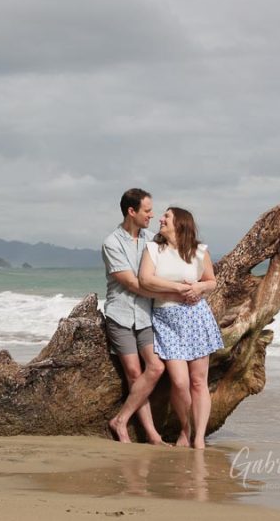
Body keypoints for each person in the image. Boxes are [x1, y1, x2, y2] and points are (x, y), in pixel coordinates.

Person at [104, 189, 193, 444]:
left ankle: (120, 419)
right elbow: (133, 283)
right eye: (147, 210)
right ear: (131, 211)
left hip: (145, 314)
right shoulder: (111, 243)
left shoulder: (151, 240)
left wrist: (196, 282)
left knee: (155, 367)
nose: (152, 215)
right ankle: (150, 434)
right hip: (120, 315)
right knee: (134, 372)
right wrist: (175, 292)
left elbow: (174, 255)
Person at [140, 207, 224, 449]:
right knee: (179, 381)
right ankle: (186, 429)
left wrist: (199, 288)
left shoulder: (199, 251)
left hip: (196, 318)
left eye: (166, 217)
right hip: (166, 319)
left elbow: (211, 281)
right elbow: (146, 279)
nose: (160, 219)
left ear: (180, 223)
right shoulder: (153, 249)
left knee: (198, 381)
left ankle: (198, 438)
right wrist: (178, 288)